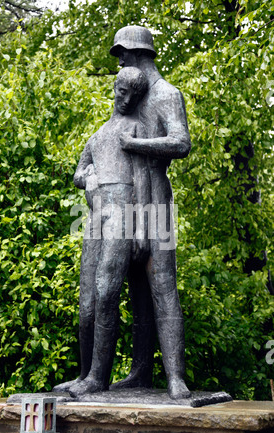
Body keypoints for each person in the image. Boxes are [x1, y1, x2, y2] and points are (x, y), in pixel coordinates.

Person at [53, 67, 152, 396]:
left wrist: (140, 227)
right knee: (87, 304)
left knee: (108, 293)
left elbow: (141, 176)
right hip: (95, 215)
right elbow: (79, 172)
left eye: (133, 95)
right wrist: (87, 176)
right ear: (115, 88)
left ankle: (99, 377)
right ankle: (84, 375)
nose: (126, 99)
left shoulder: (137, 128)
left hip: (123, 212)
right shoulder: (96, 136)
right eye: (122, 91)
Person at [108, 25, 192, 400]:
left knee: (161, 283)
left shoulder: (166, 95)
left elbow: (181, 143)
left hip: (156, 199)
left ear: (138, 53)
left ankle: (176, 377)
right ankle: (139, 371)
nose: (119, 62)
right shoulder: (131, 97)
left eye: (122, 54)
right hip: (125, 204)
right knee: (135, 288)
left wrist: (137, 143)